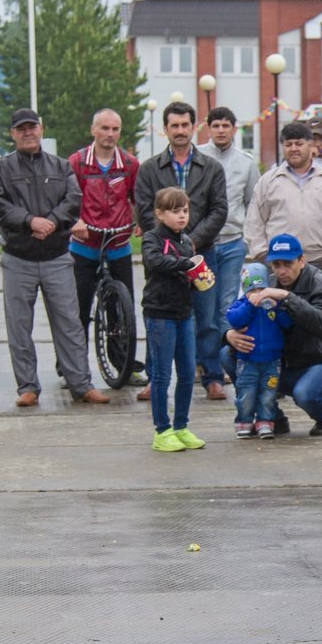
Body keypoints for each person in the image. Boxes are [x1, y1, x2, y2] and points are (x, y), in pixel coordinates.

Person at [0, 107, 110, 407]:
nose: (28, 133)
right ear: (12, 133)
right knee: (19, 326)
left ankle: (81, 385)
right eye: (21, 129)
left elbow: (73, 199)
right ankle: (27, 387)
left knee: (69, 323)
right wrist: (31, 221)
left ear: (41, 129)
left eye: (32, 127)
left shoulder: (61, 166)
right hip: (18, 259)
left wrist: (51, 221)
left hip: (56, 256)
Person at [134, 102, 229, 400]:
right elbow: (144, 211)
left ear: (194, 127)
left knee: (208, 317)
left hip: (202, 253)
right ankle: (155, 378)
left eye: (185, 125)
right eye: (173, 126)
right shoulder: (150, 169)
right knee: (160, 315)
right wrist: (172, 243)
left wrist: (191, 242)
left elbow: (219, 209)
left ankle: (212, 376)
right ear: (165, 130)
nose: (179, 131)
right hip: (163, 257)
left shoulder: (212, 167)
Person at [222, 233, 322, 437]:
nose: (281, 271)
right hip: (280, 362)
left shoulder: (319, 282)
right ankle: (271, 418)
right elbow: (236, 311)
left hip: (319, 360)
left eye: (288, 264)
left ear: (302, 261)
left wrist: (288, 297)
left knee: (305, 394)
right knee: (227, 353)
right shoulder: (266, 282)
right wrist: (228, 335)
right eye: (276, 265)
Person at [67, 108, 145, 385]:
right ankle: (71, 367)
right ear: (93, 130)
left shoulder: (129, 163)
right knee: (77, 310)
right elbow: (66, 200)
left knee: (121, 311)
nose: (110, 134)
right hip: (85, 246)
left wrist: (142, 222)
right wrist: (75, 221)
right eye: (104, 128)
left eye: (115, 129)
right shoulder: (77, 163)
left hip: (118, 243)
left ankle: (123, 362)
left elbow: (140, 198)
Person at [245, 121, 322, 303]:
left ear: (311, 145)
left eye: (299, 144)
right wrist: (262, 254)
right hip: (280, 263)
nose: (293, 149)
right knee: (281, 320)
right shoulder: (268, 181)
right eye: (288, 144)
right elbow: (255, 221)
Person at [140, 187, 207, 452]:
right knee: (161, 375)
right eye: (174, 211)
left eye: (185, 211)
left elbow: (187, 271)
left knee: (188, 373)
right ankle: (162, 430)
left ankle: (181, 426)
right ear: (159, 213)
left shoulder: (186, 240)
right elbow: (155, 261)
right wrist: (186, 265)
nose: (181, 216)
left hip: (183, 314)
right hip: (159, 315)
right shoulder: (151, 238)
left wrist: (199, 279)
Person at [198, 106, 260, 340]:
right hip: (203, 243)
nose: (221, 130)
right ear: (208, 128)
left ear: (234, 129)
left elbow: (252, 203)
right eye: (216, 125)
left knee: (227, 302)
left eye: (226, 126)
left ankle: (224, 355)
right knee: (203, 303)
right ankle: (202, 362)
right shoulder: (198, 157)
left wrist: (246, 239)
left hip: (233, 243)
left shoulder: (246, 163)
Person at [226, 262, 292, 439]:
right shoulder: (241, 305)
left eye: (261, 289)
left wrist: (278, 308)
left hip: (271, 361)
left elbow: (287, 324)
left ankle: (265, 422)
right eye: (252, 290)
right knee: (246, 393)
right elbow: (234, 319)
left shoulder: (272, 306)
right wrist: (250, 305)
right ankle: (244, 421)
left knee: (268, 394)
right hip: (248, 361)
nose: (256, 295)